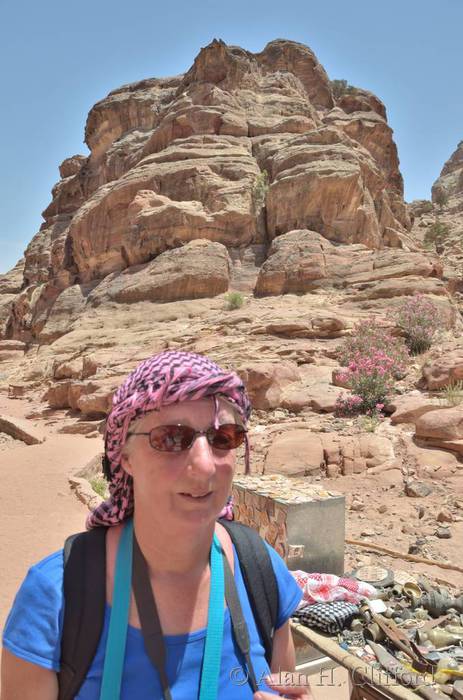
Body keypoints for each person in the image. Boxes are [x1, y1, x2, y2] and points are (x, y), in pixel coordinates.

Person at [1, 350, 313, 699]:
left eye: (223, 437)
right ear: (125, 457)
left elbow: (284, 686)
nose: (205, 466)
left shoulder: (260, 570)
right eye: (171, 439)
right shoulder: (55, 596)